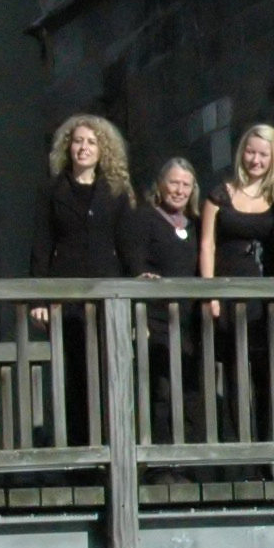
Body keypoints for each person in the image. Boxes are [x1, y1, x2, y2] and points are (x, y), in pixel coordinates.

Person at [30, 114, 136, 447]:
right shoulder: (51, 190)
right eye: (78, 141)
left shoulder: (116, 191)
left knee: (110, 372)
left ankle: (112, 447)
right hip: (67, 294)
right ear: (68, 147)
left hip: (108, 293)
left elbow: (128, 245)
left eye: (91, 142)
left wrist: (139, 282)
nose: (84, 148)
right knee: (73, 374)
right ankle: (79, 453)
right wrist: (39, 300)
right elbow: (41, 246)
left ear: (103, 150)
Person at [200, 124, 274, 444]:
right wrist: (209, 294)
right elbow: (207, 244)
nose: (255, 160)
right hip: (228, 295)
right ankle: (239, 450)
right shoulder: (219, 194)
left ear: (273, 157)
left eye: (263, 154)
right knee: (234, 376)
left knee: (267, 375)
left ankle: (267, 449)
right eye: (250, 152)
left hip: (264, 298)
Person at [120, 157, 201, 448]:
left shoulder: (195, 224)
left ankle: (188, 459)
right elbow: (134, 264)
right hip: (155, 320)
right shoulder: (144, 218)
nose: (179, 190)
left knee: (189, 390)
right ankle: (160, 461)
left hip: (189, 322)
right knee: (161, 390)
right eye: (173, 183)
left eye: (186, 185)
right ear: (160, 184)